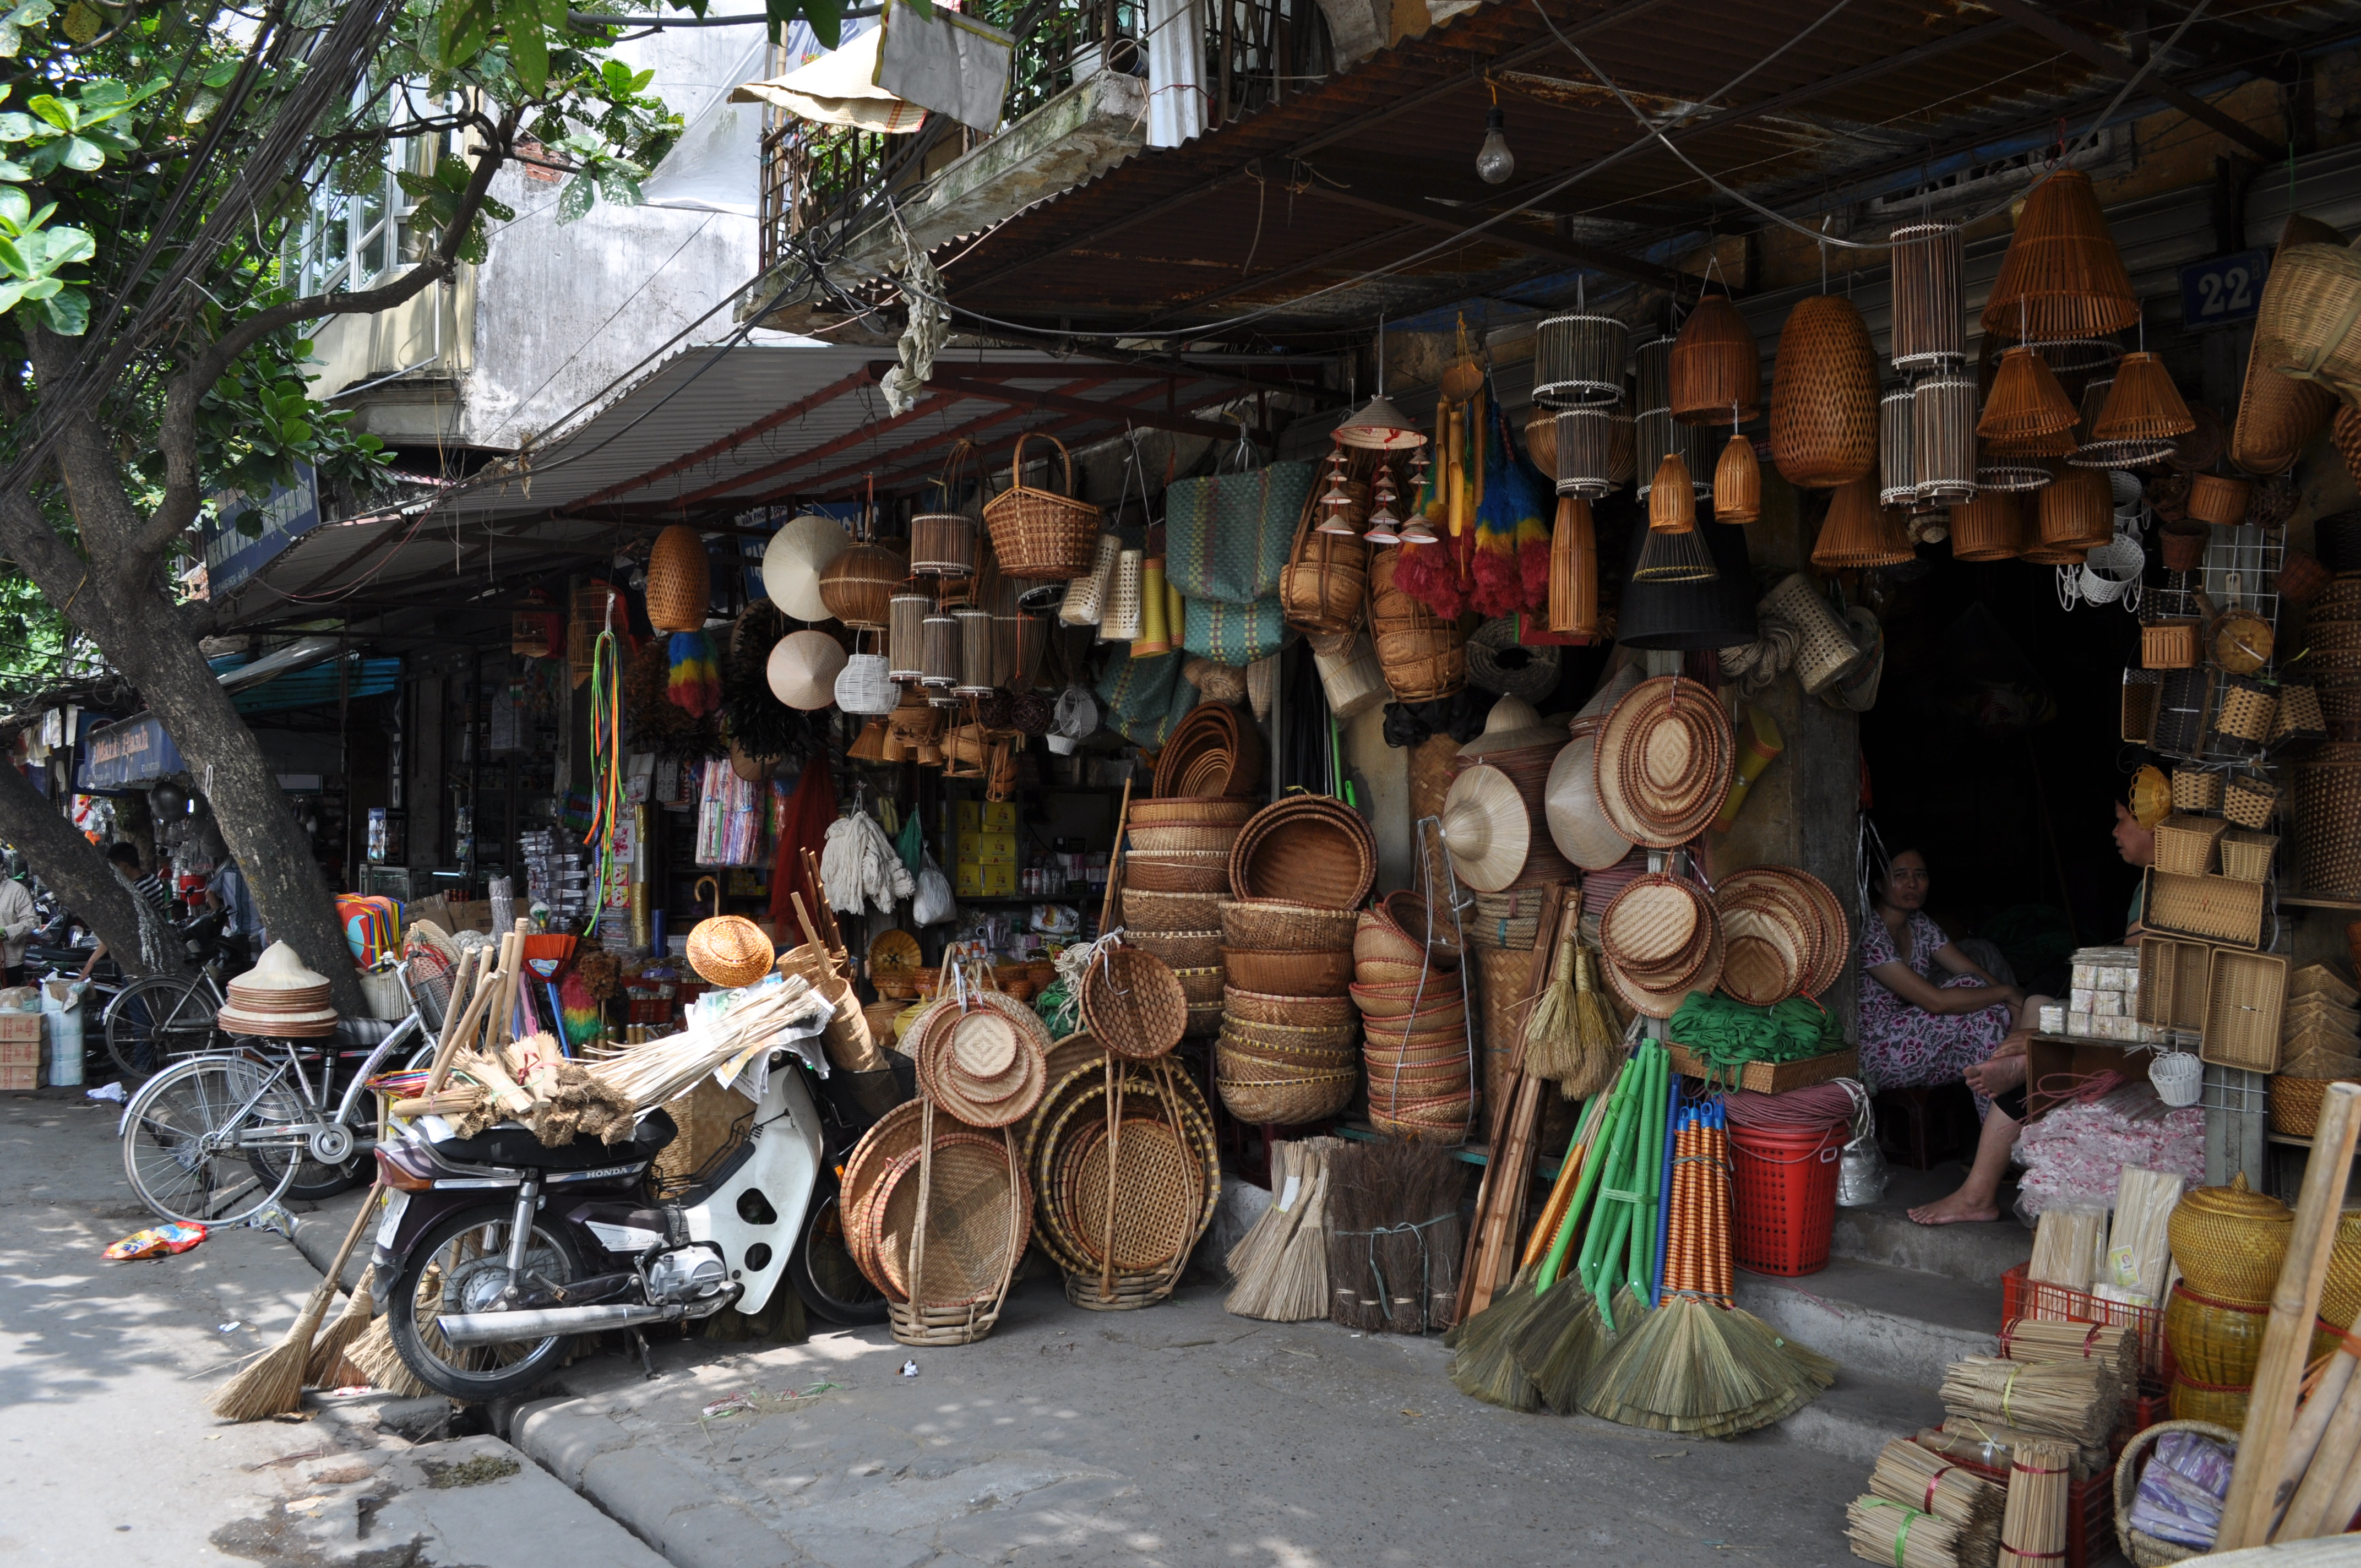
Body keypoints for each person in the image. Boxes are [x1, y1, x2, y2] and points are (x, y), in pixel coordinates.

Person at [1907, 805, 2151, 1226]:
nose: (2115, 831)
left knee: (2035, 1045)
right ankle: (2026, 1049)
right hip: (2128, 1005)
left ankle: (2025, 1054)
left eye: (2123, 818)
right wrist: (2009, 995)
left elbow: (2132, 976)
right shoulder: (2153, 883)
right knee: (2049, 980)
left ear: (2155, 825)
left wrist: (2028, 1014)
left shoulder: (2165, 886)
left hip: (2143, 1014)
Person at [0, 862, 36, 988]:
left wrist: (7, 933)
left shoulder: (17, 890)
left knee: (8, 998)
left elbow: (30, 921)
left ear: (2, 868)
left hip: (10, 962)